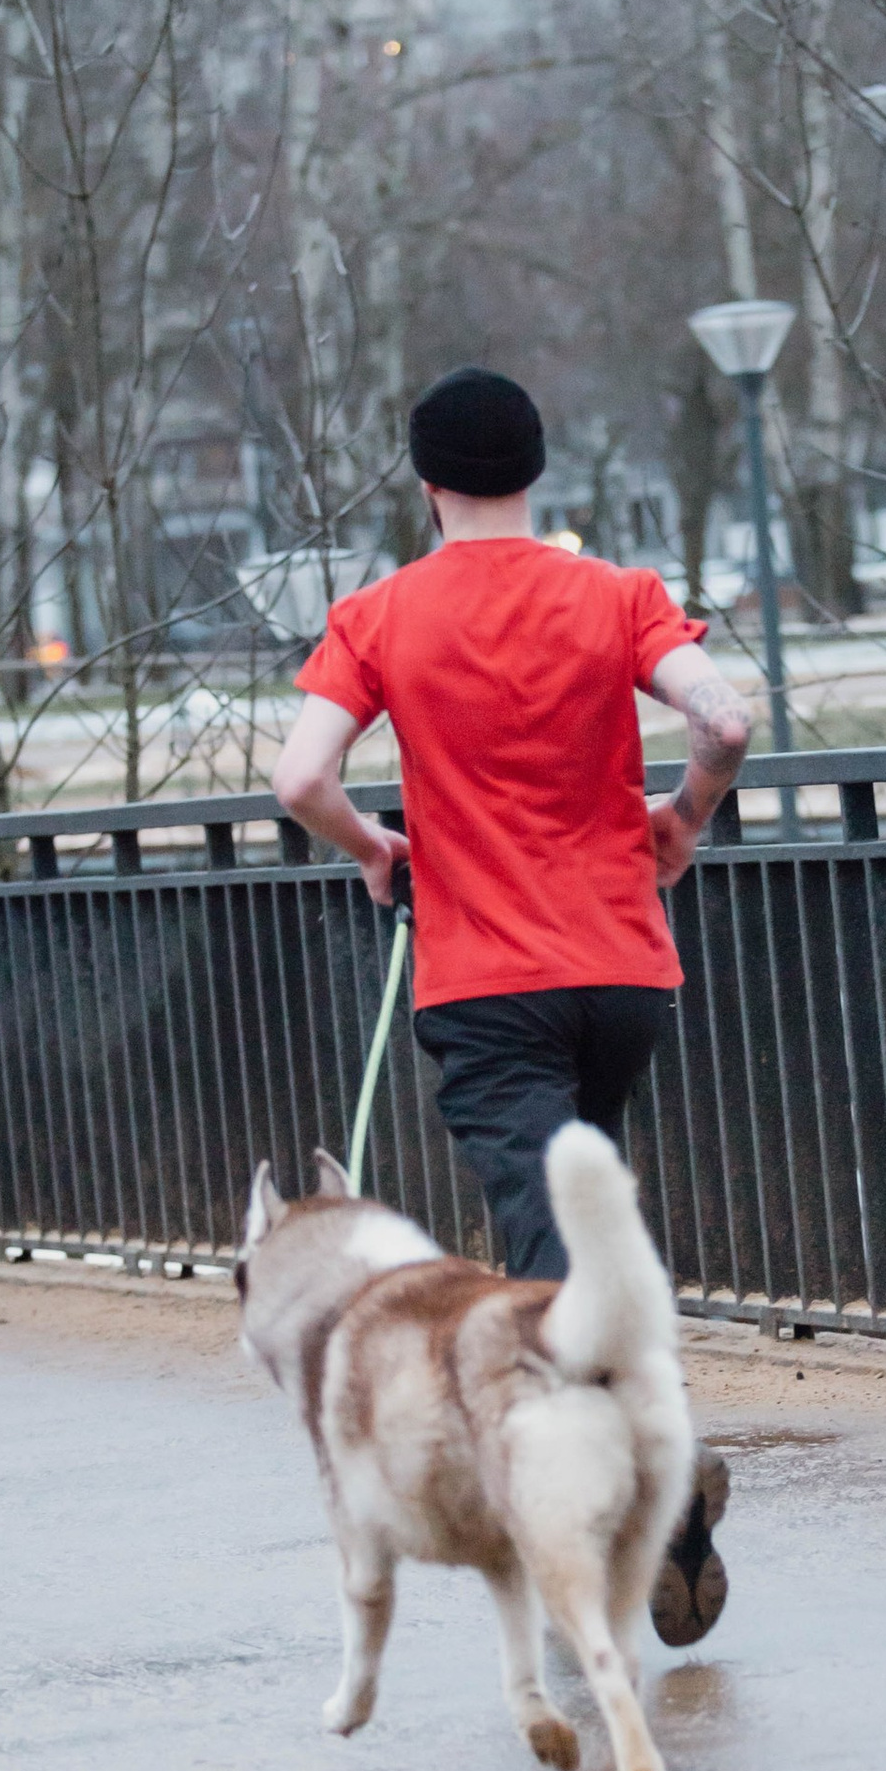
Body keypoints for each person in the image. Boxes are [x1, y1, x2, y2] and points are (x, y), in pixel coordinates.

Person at [272, 362, 751, 1643]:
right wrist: (686, 818)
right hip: (622, 975)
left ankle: (642, 1494)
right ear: (535, 471)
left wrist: (375, 848)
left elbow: (301, 775)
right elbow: (726, 717)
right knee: (579, 1228)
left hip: (487, 984)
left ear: (426, 483)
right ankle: (651, 1465)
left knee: (543, 1257)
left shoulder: (379, 615)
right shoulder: (615, 596)